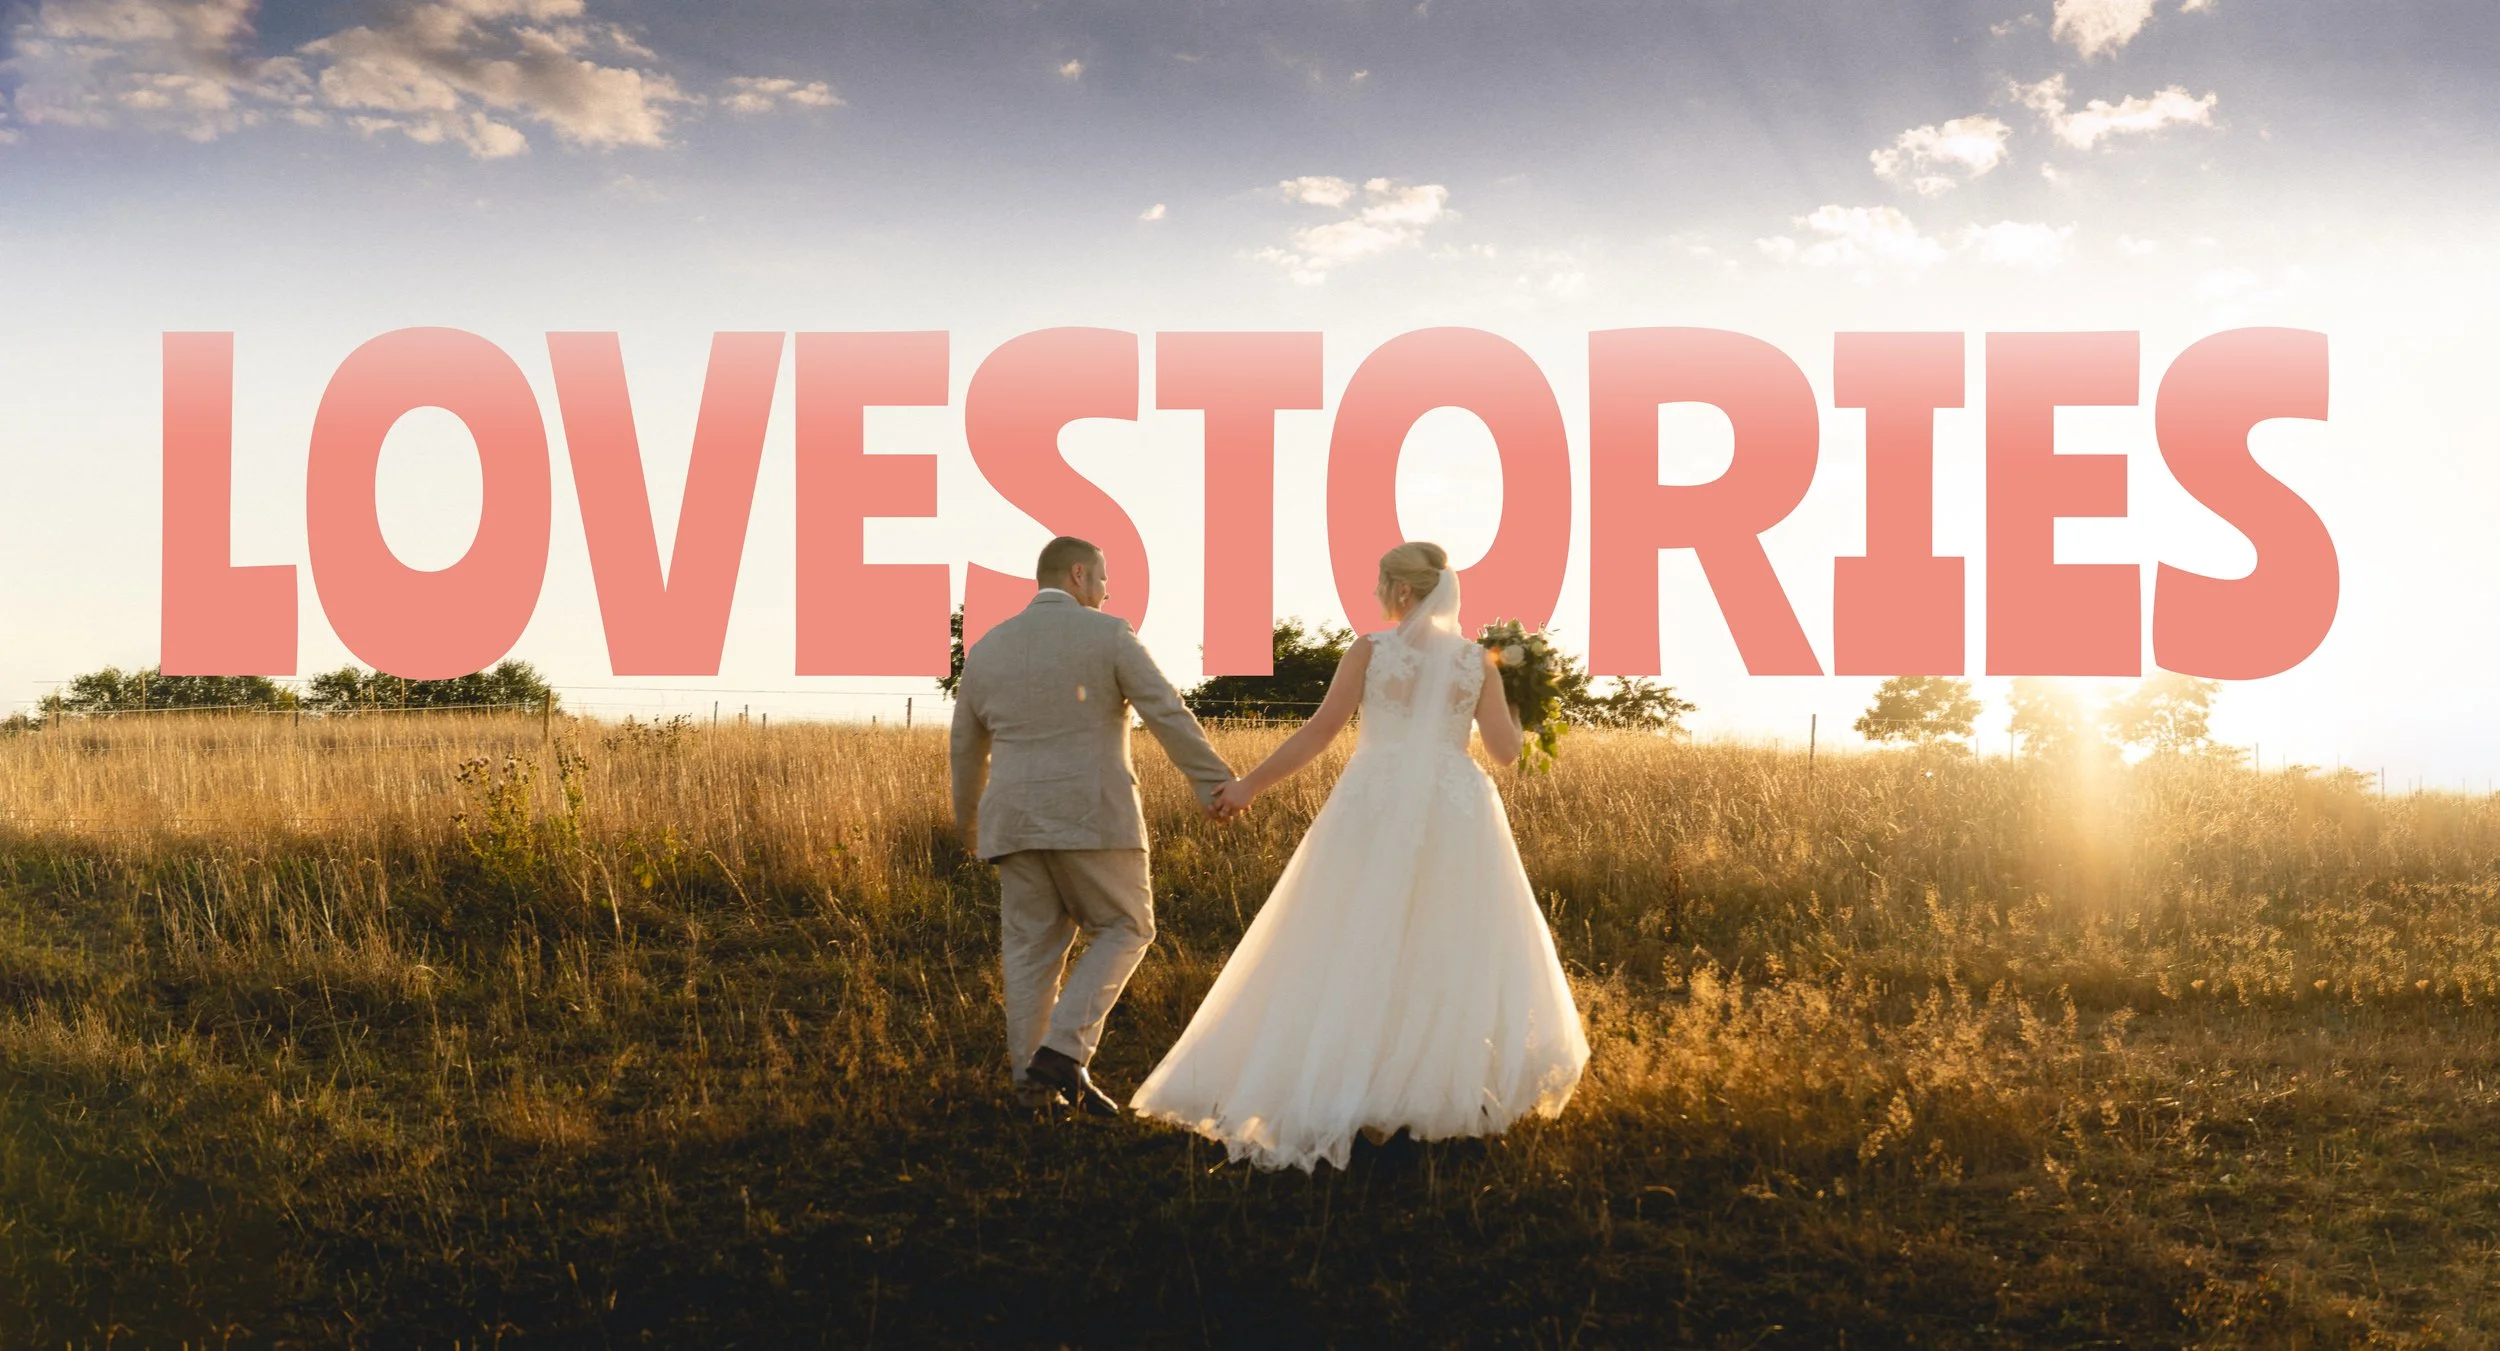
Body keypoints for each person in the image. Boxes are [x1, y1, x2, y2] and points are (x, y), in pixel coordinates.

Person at [1129, 541, 1590, 1170]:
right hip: (1455, 808)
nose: (1375, 594)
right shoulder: (1476, 661)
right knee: (1445, 943)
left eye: (1379, 584)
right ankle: (1434, 1096)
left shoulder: (1371, 651)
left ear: (1401, 590)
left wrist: (1248, 787)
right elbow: (1506, 754)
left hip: (1376, 801)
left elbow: (1321, 730)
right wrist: (1513, 697)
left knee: (1350, 936)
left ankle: (1351, 1089)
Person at [949, 536, 1239, 1115]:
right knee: (1127, 926)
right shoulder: (1109, 634)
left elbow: (965, 747)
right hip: (1094, 815)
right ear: (1078, 574)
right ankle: (1063, 1049)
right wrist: (1214, 782)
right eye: (1103, 579)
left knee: (1030, 953)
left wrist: (970, 824)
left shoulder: (987, 647)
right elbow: (1165, 710)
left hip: (1013, 822)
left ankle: (1032, 1090)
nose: (1106, 592)